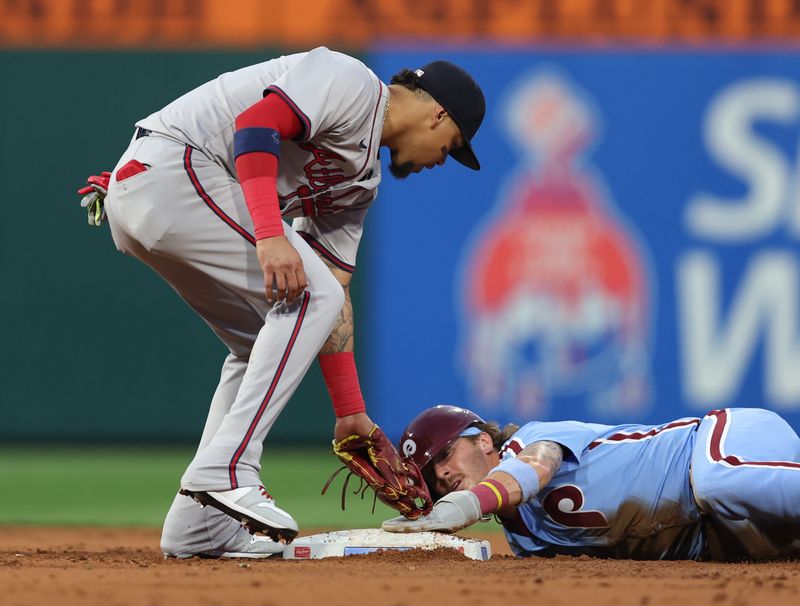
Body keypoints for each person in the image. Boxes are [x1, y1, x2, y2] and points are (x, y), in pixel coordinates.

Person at [76, 47, 484, 559]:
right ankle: (228, 468)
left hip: (164, 201)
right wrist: (271, 235)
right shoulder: (352, 81)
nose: (444, 159)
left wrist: (350, 413)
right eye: (453, 145)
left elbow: (333, 292)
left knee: (259, 341)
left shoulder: (360, 184)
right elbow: (256, 125)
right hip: (169, 170)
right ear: (438, 113)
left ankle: (199, 525)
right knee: (308, 294)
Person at [384, 405, 800, 561]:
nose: (440, 474)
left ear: (483, 441)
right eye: (432, 479)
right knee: (763, 548)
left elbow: (534, 470)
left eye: (443, 455)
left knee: (715, 483)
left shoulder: (531, 439)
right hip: (721, 527)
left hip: (718, 445)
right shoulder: (527, 544)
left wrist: (465, 505)